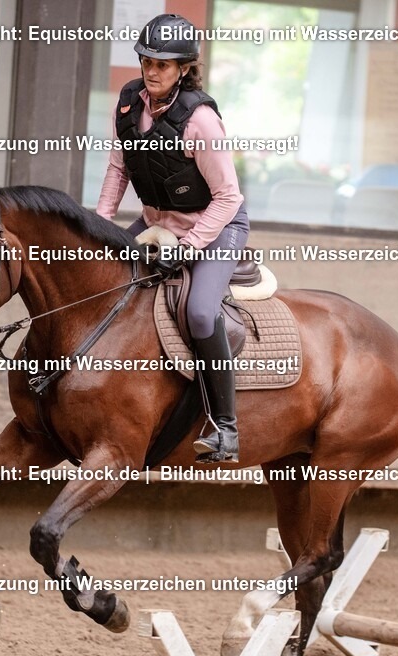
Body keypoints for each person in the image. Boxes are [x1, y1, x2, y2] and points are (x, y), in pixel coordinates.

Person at [96, 13, 248, 464]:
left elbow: (227, 196)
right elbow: (119, 169)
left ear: (184, 68)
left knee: (201, 313)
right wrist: (101, 226)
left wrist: (186, 248)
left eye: (163, 64)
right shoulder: (128, 105)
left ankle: (226, 427)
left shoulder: (200, 121)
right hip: (156, 222)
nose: (152, 70)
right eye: (146, 61)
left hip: (216, 225)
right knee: (105, 279)